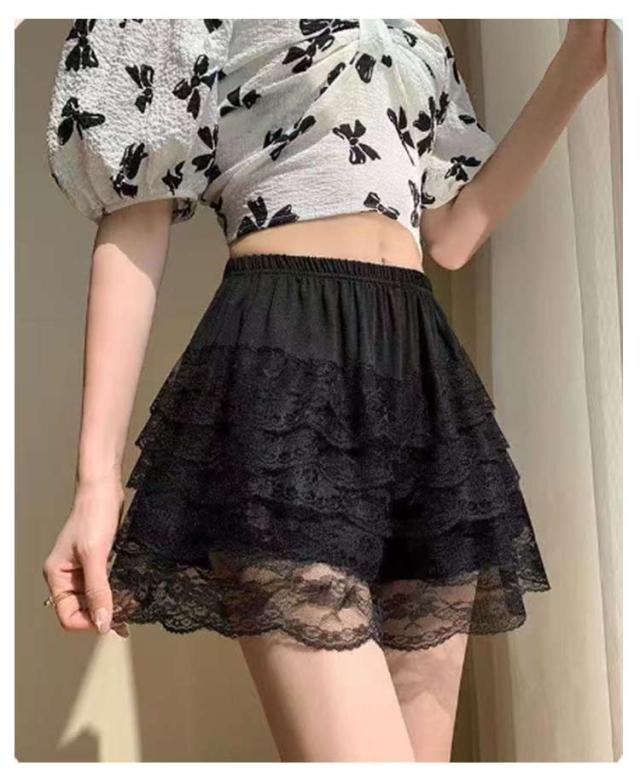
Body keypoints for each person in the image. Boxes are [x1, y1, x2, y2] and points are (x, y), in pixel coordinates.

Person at [41, 18, 607, 762]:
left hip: (422, 379)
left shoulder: (425, 18)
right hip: (285, 363)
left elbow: (452, 232)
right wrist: (95, 481)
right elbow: (137, 212)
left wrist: (577, 65)